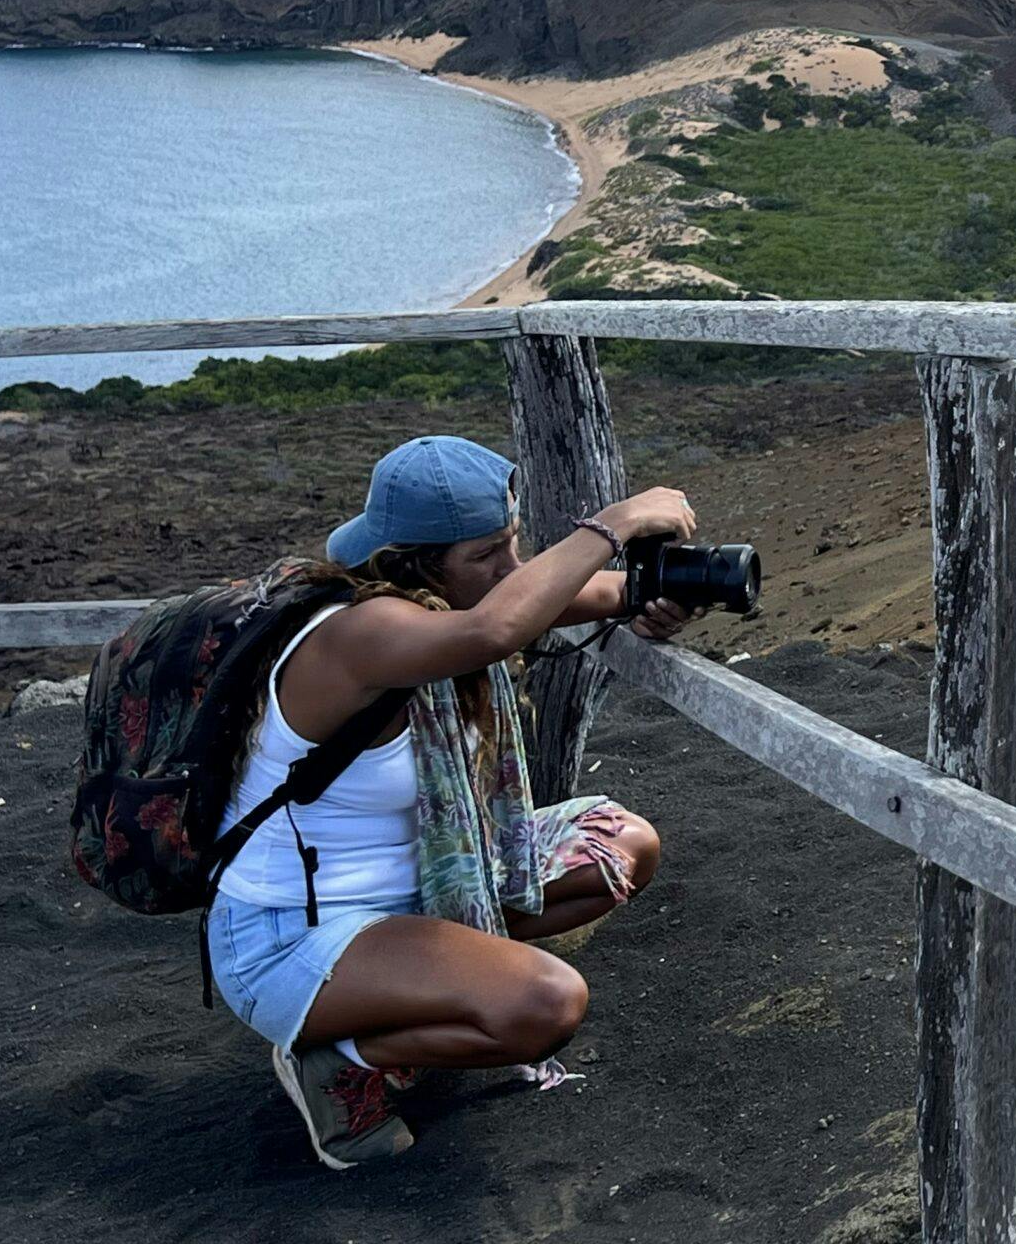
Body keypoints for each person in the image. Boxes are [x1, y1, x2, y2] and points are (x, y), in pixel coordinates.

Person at [205, 435, 701, 1169]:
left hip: (420, 885)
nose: (511, 570)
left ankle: (434, 978)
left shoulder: (442, 606)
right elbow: (497, 626)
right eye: (487, 556)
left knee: (621, 844)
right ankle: (338, 1061)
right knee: (545, 1005)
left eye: (512, 544)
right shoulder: (360, 632)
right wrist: (613, 524)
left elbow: (562, 596)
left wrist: (654, 596)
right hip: (292, 934)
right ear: (413, 563)